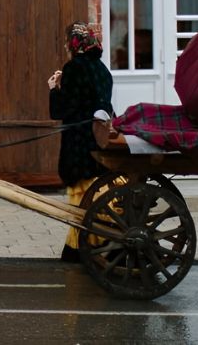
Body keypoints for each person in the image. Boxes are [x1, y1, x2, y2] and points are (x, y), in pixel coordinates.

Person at [48, 21, 114, 263]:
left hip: (79, 144)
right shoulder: (102, 70)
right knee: (90, 193)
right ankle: (81, 244)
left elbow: (62, 109)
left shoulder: (74, 68)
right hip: (98, 141)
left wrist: (54, 88)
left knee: (80, 196)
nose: (67, 47)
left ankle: (81, 246)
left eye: (68, 43)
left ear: (74, 45)